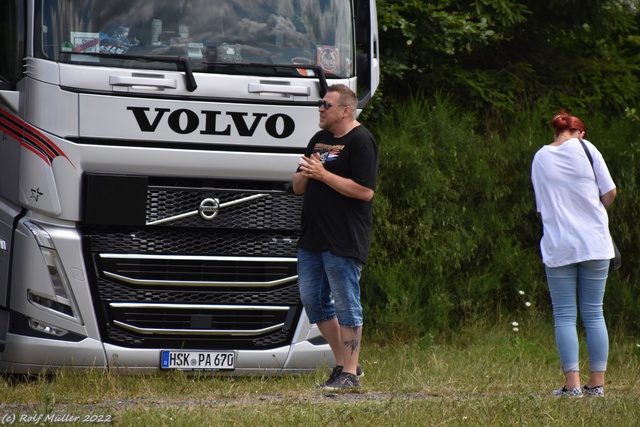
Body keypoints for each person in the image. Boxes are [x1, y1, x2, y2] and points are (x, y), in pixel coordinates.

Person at [292, 84, 378, 390]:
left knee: (346, 303)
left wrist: (323, 175)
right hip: (312, 236)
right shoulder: (319, 140)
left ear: (346, 110)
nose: (320, 108)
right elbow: (298, 186)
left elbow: (365, 191)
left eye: (326, 105)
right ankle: (344, 364)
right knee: (313, 301)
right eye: (320, 103)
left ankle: (350, 375)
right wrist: (306, 172)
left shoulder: (361, 141)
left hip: (344, 237)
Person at [531, 109, 617, 398]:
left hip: (559, 244)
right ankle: (597, 385)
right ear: (579, 133)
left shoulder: (541, 157)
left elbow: (542, 206)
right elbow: (610, 192)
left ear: (557, 133)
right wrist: (593, 211)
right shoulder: (587, 148)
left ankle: (573, 386)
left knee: (565, 316)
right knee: (594, 313)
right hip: (594, 242)